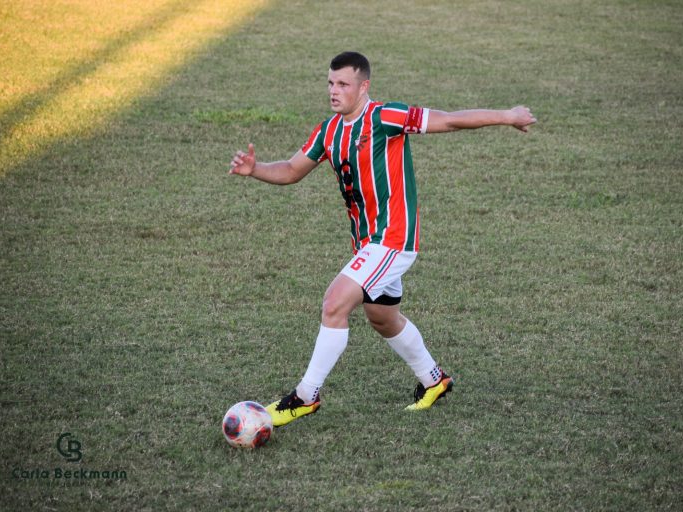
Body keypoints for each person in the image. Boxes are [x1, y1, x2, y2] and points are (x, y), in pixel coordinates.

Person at [229, 51, 536, 427]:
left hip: (393, 238)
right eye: (330, 83)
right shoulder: (329, 131)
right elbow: (292, 170)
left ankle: (305, 397)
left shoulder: (385, 117)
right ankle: (434, 380)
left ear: (364, 86)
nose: (334, 90)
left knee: (334, 303)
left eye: (343, 84)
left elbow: (449, 120)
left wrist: (508, 115)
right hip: (367, 243)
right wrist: (255, 169)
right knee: (383, 318)